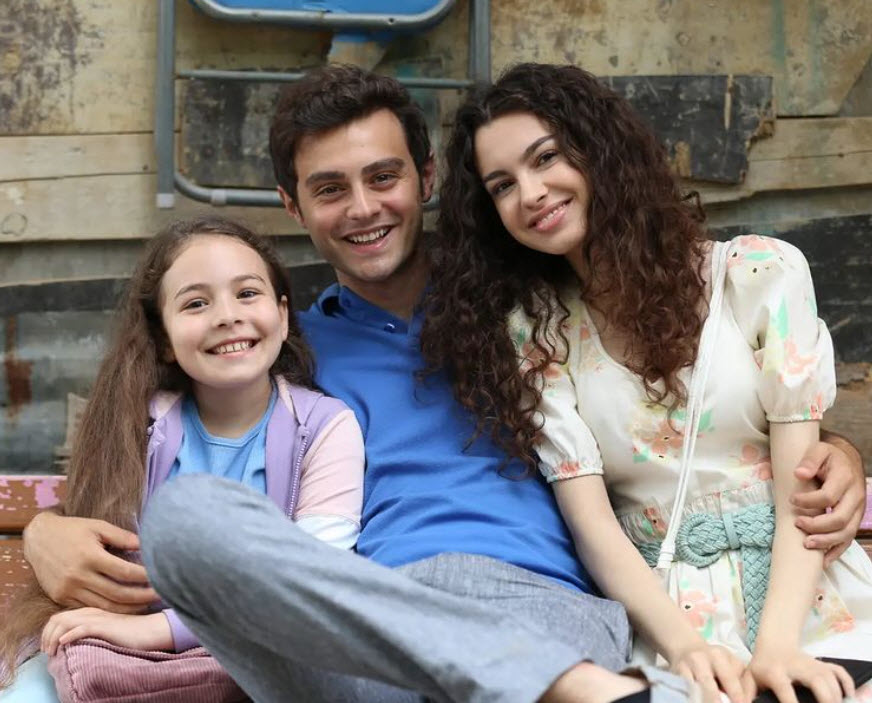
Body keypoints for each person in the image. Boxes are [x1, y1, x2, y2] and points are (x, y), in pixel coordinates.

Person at [18, 66, 868, 703]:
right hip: (361, 628)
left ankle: (557, 681)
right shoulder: (279, 348)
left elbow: (670, 402)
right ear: (292, 206)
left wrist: (833, 446)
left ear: (427, 180)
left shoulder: (533, 308)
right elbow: (193, 470)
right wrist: (44, 532)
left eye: (383, 177)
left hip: (537, 609)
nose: (363, 207)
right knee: (187, 517)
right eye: (330, 189)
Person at [420, 62, 872, 703]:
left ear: (598, 150)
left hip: (807, 596)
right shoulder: (537, 334)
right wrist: (685, 647)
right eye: (502, 186)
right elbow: (592, 524)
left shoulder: (758, 273)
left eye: (546, 157)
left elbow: (804, 483)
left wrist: (777, 647)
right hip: (665, 615)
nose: (532, 193)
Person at [0, 216, 365, 701]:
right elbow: (102, 580)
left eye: (247, 293)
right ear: (164, 340)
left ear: (282, 315)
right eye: (196, 303)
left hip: (258, 662)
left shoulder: (325, 428)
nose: (227, 316)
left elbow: (310, 585)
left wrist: (160, 630)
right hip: (119, 661)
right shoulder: (135, 422)